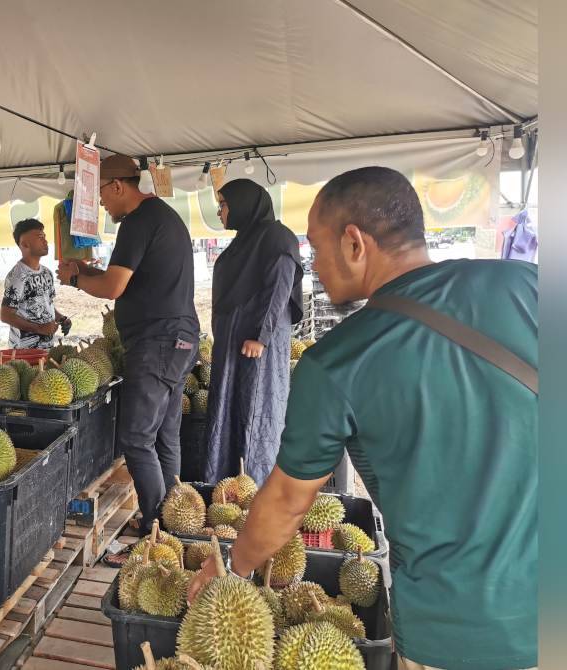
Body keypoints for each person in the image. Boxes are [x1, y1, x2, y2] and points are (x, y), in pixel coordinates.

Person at [188, 167, 537, 670]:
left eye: (315, 246)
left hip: (459, 632)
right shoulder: (527, 285)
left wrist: (233, 571)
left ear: (354, 243)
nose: (311, 265)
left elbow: (287, 502)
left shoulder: (338, 361)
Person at [57, 154, 199, 565]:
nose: (101, 205)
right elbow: (127, 277)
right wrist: (88, 272)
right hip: (179, 340)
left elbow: (114, 287)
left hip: (157, 342)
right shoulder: (162, 217)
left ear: (118, 186)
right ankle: (170, 526)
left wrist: (73, 278)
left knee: (137, 439)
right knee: (163, 437)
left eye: (101, 194)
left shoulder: (138, 221)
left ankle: (156, 534)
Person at [204, 180, 303, 486]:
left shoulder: (277, 237)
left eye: (224, 204)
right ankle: (225, 488)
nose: (220, 211)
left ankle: (255, 492)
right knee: (228, 413)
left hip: (256, 348)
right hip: (234, 344)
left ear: (245, 204)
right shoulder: (247, 240)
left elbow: (279, 288)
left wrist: (261, 336)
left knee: (255, 412)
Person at [0, 218, 70, 349]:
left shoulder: (47, 273)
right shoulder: (17, 276)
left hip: (47, 348)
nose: (45, 241)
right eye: (40, 237)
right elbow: (6, 315)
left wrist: (61, 318)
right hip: (24, 351)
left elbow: (46, 303)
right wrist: (40, 328)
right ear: (25, 244)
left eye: (44, 236)